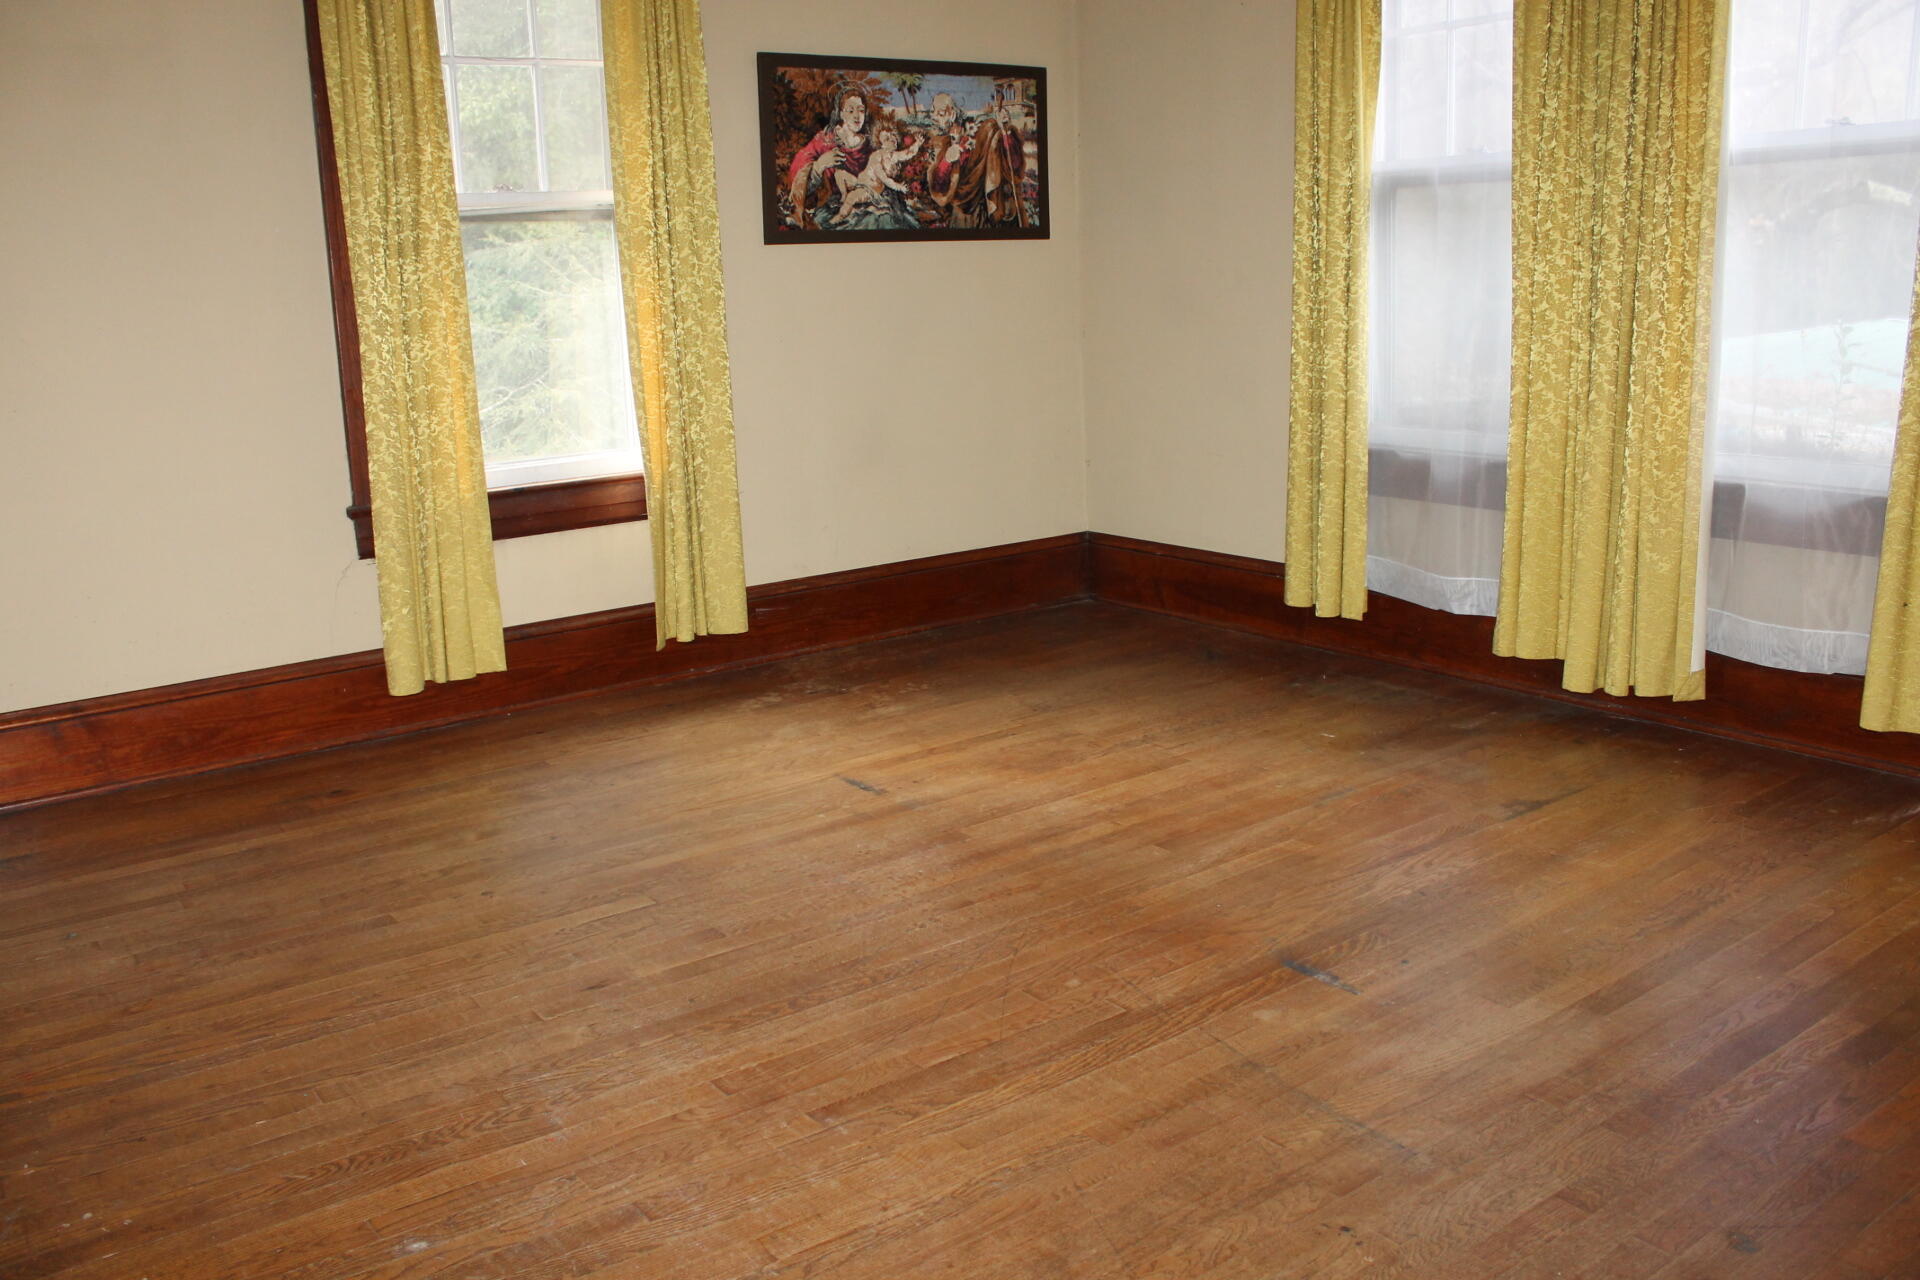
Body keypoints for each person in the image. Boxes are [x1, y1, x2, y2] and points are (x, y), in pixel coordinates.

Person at [785, 87, 874, 228]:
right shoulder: (825, 140)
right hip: (831, 205)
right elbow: (798, 170)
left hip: (863, 201)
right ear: (841, 114)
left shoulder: (869, 145)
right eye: (851, 111)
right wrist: (820, 165)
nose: (857, 116)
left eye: (861, 110)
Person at [831, 125, 922, 226]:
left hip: (870, 189)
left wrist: (917, 144)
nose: (892, 139)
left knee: (851, 197)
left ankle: (839, 217)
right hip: (859, 182)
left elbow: (908, 153)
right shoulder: (877, 156)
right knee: (839, 174)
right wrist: (899, 186)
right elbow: (883, 177)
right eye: (887, 139)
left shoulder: (894, 155)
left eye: (893, 136)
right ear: (881, 144)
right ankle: (843, 195)